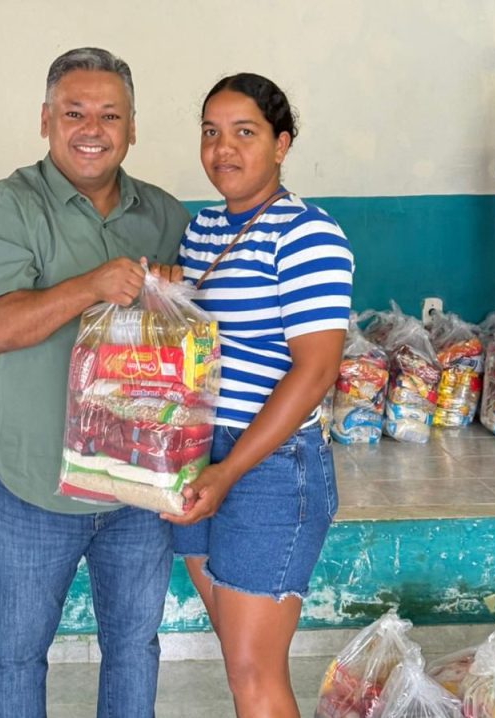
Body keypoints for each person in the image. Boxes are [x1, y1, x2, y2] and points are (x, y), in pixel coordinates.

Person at [0, 47, 190, 718]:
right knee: (20, 656)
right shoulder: (5, 209)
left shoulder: (166, 215)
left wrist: (175, 293)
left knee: (134, 649)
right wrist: (92, 286)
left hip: (137, 490)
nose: (93, 128)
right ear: (45, 120)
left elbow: (195, 335)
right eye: (74, 112)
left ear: (133, 126)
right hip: (34, 489)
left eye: (110, 114)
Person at [159, 73, 353, 717]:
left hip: (268, 466)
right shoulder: (202, 231)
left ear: (282, 143)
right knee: (241, 658)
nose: (223, 149)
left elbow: (316, 370)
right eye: (211, 132)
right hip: (201, 452)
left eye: (245, 132)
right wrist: (162, 287)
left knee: (252, 671)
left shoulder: (307, 234)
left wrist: (228, 470)